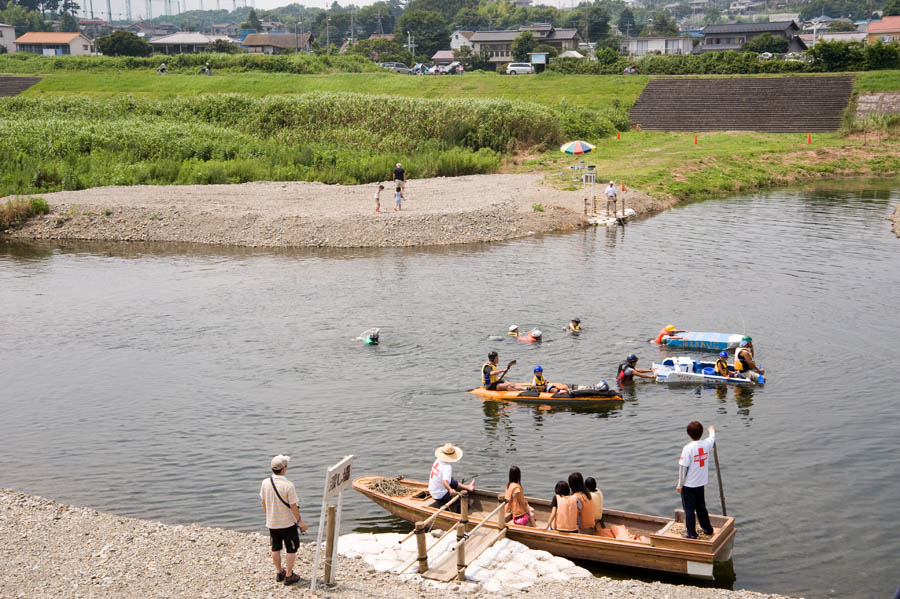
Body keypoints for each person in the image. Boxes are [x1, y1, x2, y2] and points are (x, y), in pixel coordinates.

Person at [260, 455, 308, 586]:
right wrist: (300, 522)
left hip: (272, 523)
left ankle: (279, 571)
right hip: (287, 524)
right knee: (291, 549)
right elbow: (293, 506)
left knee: (275, 547)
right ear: (284, 468)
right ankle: (289, 574)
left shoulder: (265, 482)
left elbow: (263, 502)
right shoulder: (288, 485)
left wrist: (269, 515)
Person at [676, 421, 717, 539]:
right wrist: (712, 430)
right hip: (701, 483)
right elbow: (712, 438)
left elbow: (683, 468)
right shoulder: (706, 445)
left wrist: (680, 485)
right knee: (701, 507)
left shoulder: (688, 448)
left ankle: (691, 534)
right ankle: (708, 529)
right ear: (702, 432)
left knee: (689, 510)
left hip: (688, 485)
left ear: (688, 434)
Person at [428, 443, 475, 513]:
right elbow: (444, 482)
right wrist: (450, 490)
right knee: (463, 502)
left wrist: (449, 479)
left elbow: (442, 477)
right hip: (440, 494)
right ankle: (461, 517)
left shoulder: (437, 460)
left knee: (453, 482)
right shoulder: (447, 467)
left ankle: (468, 487)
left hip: (432, 490)